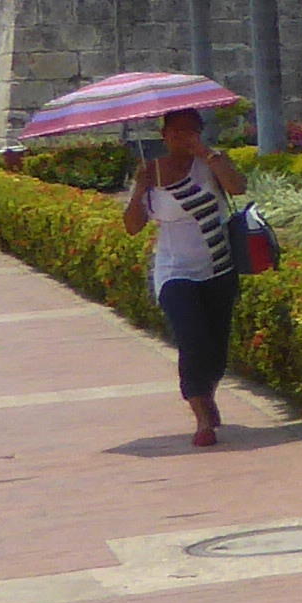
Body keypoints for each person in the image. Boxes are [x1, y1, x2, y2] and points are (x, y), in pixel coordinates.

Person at [121, 107, 245, 446]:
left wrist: (207, 153)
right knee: (192, 339)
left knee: (216, 348)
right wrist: (139, 189)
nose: (182, 137)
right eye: (175, 131)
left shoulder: (212, 163)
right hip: (174, 271)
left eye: (190, 130)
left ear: (200, 132)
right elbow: (132, 227)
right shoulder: (151, 172)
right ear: (163, 135)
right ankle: (202, 416)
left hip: (219, 265)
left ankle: (207, 393)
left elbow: (238, 188)